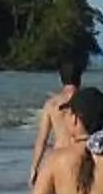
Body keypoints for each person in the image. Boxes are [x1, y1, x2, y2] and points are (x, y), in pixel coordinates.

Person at [27, 55, 88, 183]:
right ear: (80, 77)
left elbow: (42, 140)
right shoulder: (87, 101)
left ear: (60, 79)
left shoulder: (51, 104)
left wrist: (34, 167)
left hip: (58, 158)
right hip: (82, 157)